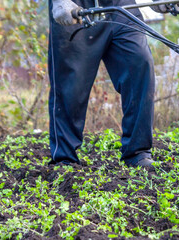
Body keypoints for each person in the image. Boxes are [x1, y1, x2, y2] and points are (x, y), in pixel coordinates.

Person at [48, 0, 166, 167]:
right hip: (76, 7)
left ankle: (137, 153)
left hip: (120, 5)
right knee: (71, 85)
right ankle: (65, 159)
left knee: (139, 63)